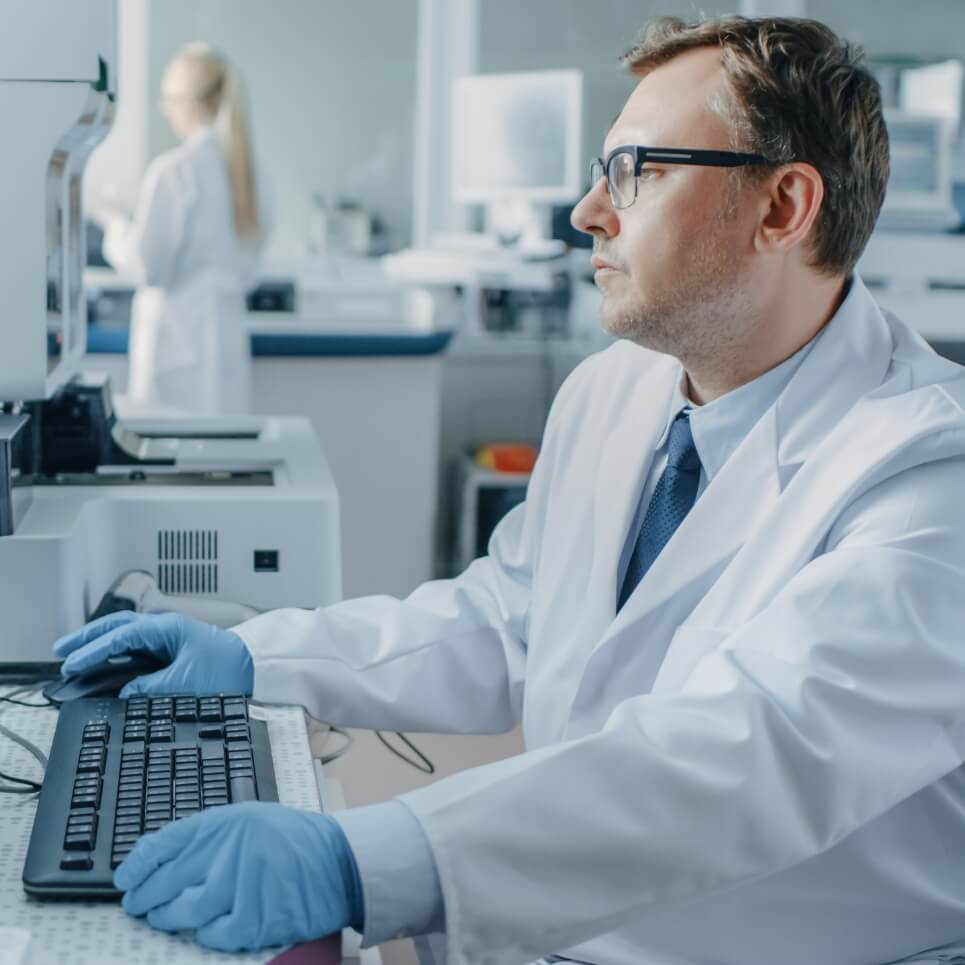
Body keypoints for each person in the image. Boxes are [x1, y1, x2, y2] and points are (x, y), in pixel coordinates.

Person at [56, 15, 965, 965]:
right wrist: (257, 657)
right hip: (556, 930)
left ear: (782, 207)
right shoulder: (617, 390)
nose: (585, 212)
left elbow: (749, 752)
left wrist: (367, 862)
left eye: (635, 171)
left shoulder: (925, 473)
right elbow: (508, 615)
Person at [92, 42, 268, 416]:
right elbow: (248, 267)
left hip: (176, 350)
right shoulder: (253, 177)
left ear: (185, 102)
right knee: (224, 460)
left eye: (167, 101)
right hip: (226, 346)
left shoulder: (174, 172)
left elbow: (148, 268)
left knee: (175, 465)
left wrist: (115, 224)